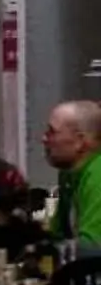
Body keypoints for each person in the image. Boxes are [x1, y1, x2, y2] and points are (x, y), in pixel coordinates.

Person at [43, 100, 101, 251]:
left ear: (80, 142)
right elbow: (58, 234)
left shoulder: (97, 174)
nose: (44, 139)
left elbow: (92, 246)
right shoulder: (68, 174)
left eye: (52, 132)